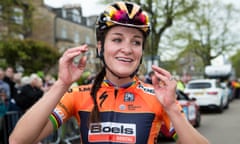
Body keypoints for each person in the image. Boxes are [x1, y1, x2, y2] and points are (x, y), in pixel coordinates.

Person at [9, 1, 209, 144]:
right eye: (117, 39)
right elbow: (18, 140)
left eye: (136, 42)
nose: (127, 49)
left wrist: (172, 108)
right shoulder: (78, 95)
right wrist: (61, 84)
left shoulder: (157, 98)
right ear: (100, 47)